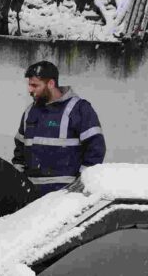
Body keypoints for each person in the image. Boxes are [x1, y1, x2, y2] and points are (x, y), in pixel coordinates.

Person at [12, 60, 106, 196]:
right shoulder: (30, 112)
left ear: (50, 84)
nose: (30, 90)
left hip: (64, 197)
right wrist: (18, 183)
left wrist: (81, 183)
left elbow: (96, 149)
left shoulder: (79, 109)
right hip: (31, 197)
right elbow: (19, 152)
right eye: (29, 85)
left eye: (35, 85)